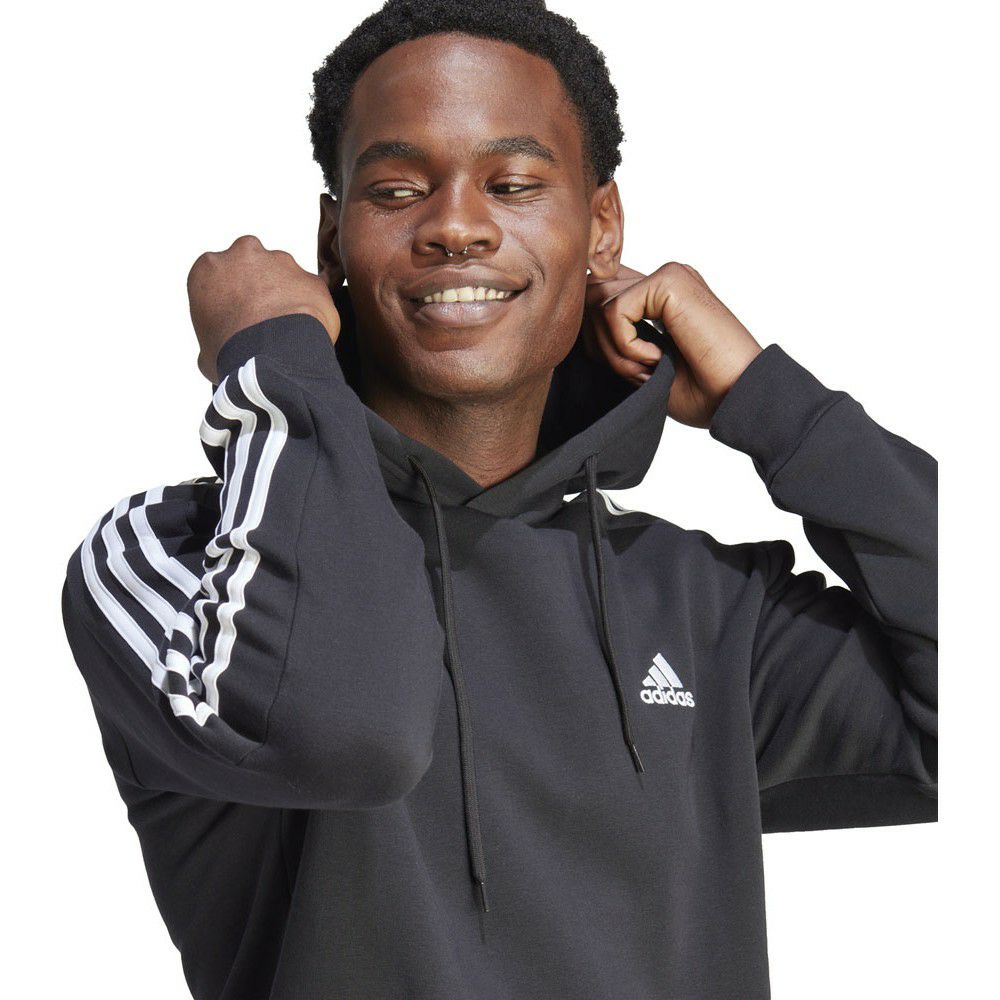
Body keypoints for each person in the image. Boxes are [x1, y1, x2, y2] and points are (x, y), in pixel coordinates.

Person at [59, 1, 938, 997]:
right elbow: (345, 729)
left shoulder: (702, 608)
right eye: (396, 189)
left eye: (513, 183)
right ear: (332, 239)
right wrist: (274, 366)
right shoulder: (178, 561)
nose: (455, 226)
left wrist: (770, 402)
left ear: (601, 227)